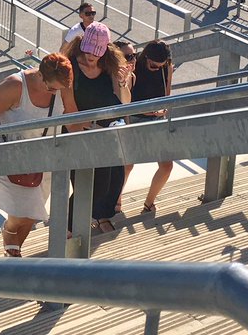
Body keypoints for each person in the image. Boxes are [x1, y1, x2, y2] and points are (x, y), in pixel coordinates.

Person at [0, 53, 76, 258]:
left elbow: (73, 119)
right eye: (52, 88)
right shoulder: (14, 86)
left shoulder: (63, 86)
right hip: (8, 156)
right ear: (40, 75)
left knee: (33, 213)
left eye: (60, 89)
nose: (56, 92)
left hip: (43, 157)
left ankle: (13, 248)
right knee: (26, 210)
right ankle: (11, 239)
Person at [63, 23, 130, 235]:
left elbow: (125, 103)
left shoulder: (109, 65)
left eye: (97, 51)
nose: (92, 55)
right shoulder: (70, 66)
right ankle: (68, 230)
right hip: (79, 134)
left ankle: (93, 219)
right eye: (89, 48)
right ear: (82, 43)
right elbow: (66, 107)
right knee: (86, 184)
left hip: (107, 135)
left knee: (109, 184)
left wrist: (122, 83)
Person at [130, 41, 175, 215]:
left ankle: (149, 203)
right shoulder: (135, 67)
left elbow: (167, 92)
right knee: (127, 165)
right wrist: (145, 111)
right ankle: (115, 204)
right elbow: (126, 98)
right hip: (135, 118)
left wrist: (163, 109)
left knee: (167, 165)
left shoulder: (167, 67)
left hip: (157, 119)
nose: (157, 68)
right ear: (146, 57)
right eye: (154, 65)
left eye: (161, 66)